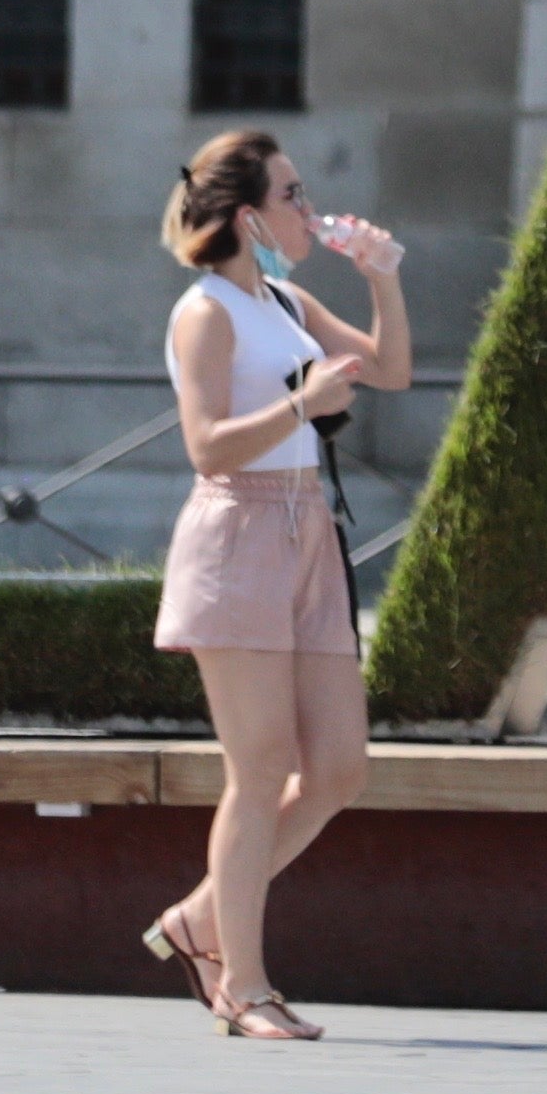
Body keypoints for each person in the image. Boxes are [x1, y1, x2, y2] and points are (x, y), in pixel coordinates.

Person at [138, 130, 408, 1040]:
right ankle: (240, 984)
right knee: (259, 770)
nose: (309, 207)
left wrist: (381, 274)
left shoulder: (285, 297)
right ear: (249, 215)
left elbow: (393, 369)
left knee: (338, 767)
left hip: (305, 534)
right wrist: (302, 403)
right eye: (294, 193)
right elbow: (206, 445)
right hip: (238, 531)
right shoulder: (205, 311)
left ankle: (199, 921)